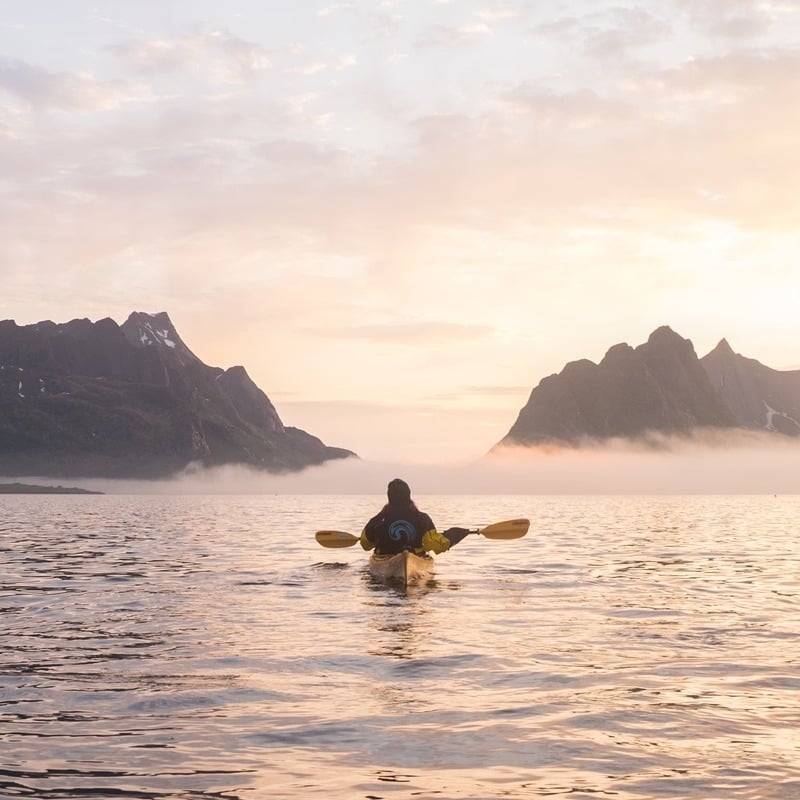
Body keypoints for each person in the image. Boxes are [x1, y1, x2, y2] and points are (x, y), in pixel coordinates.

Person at [360, 478, 470, 556]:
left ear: (389, 497)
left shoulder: (378, 520)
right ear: (408, 495)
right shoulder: (422, 518)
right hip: (415, 557)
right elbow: (434, 544)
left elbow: (365, 544)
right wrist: (451, 538)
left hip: (385, 557)